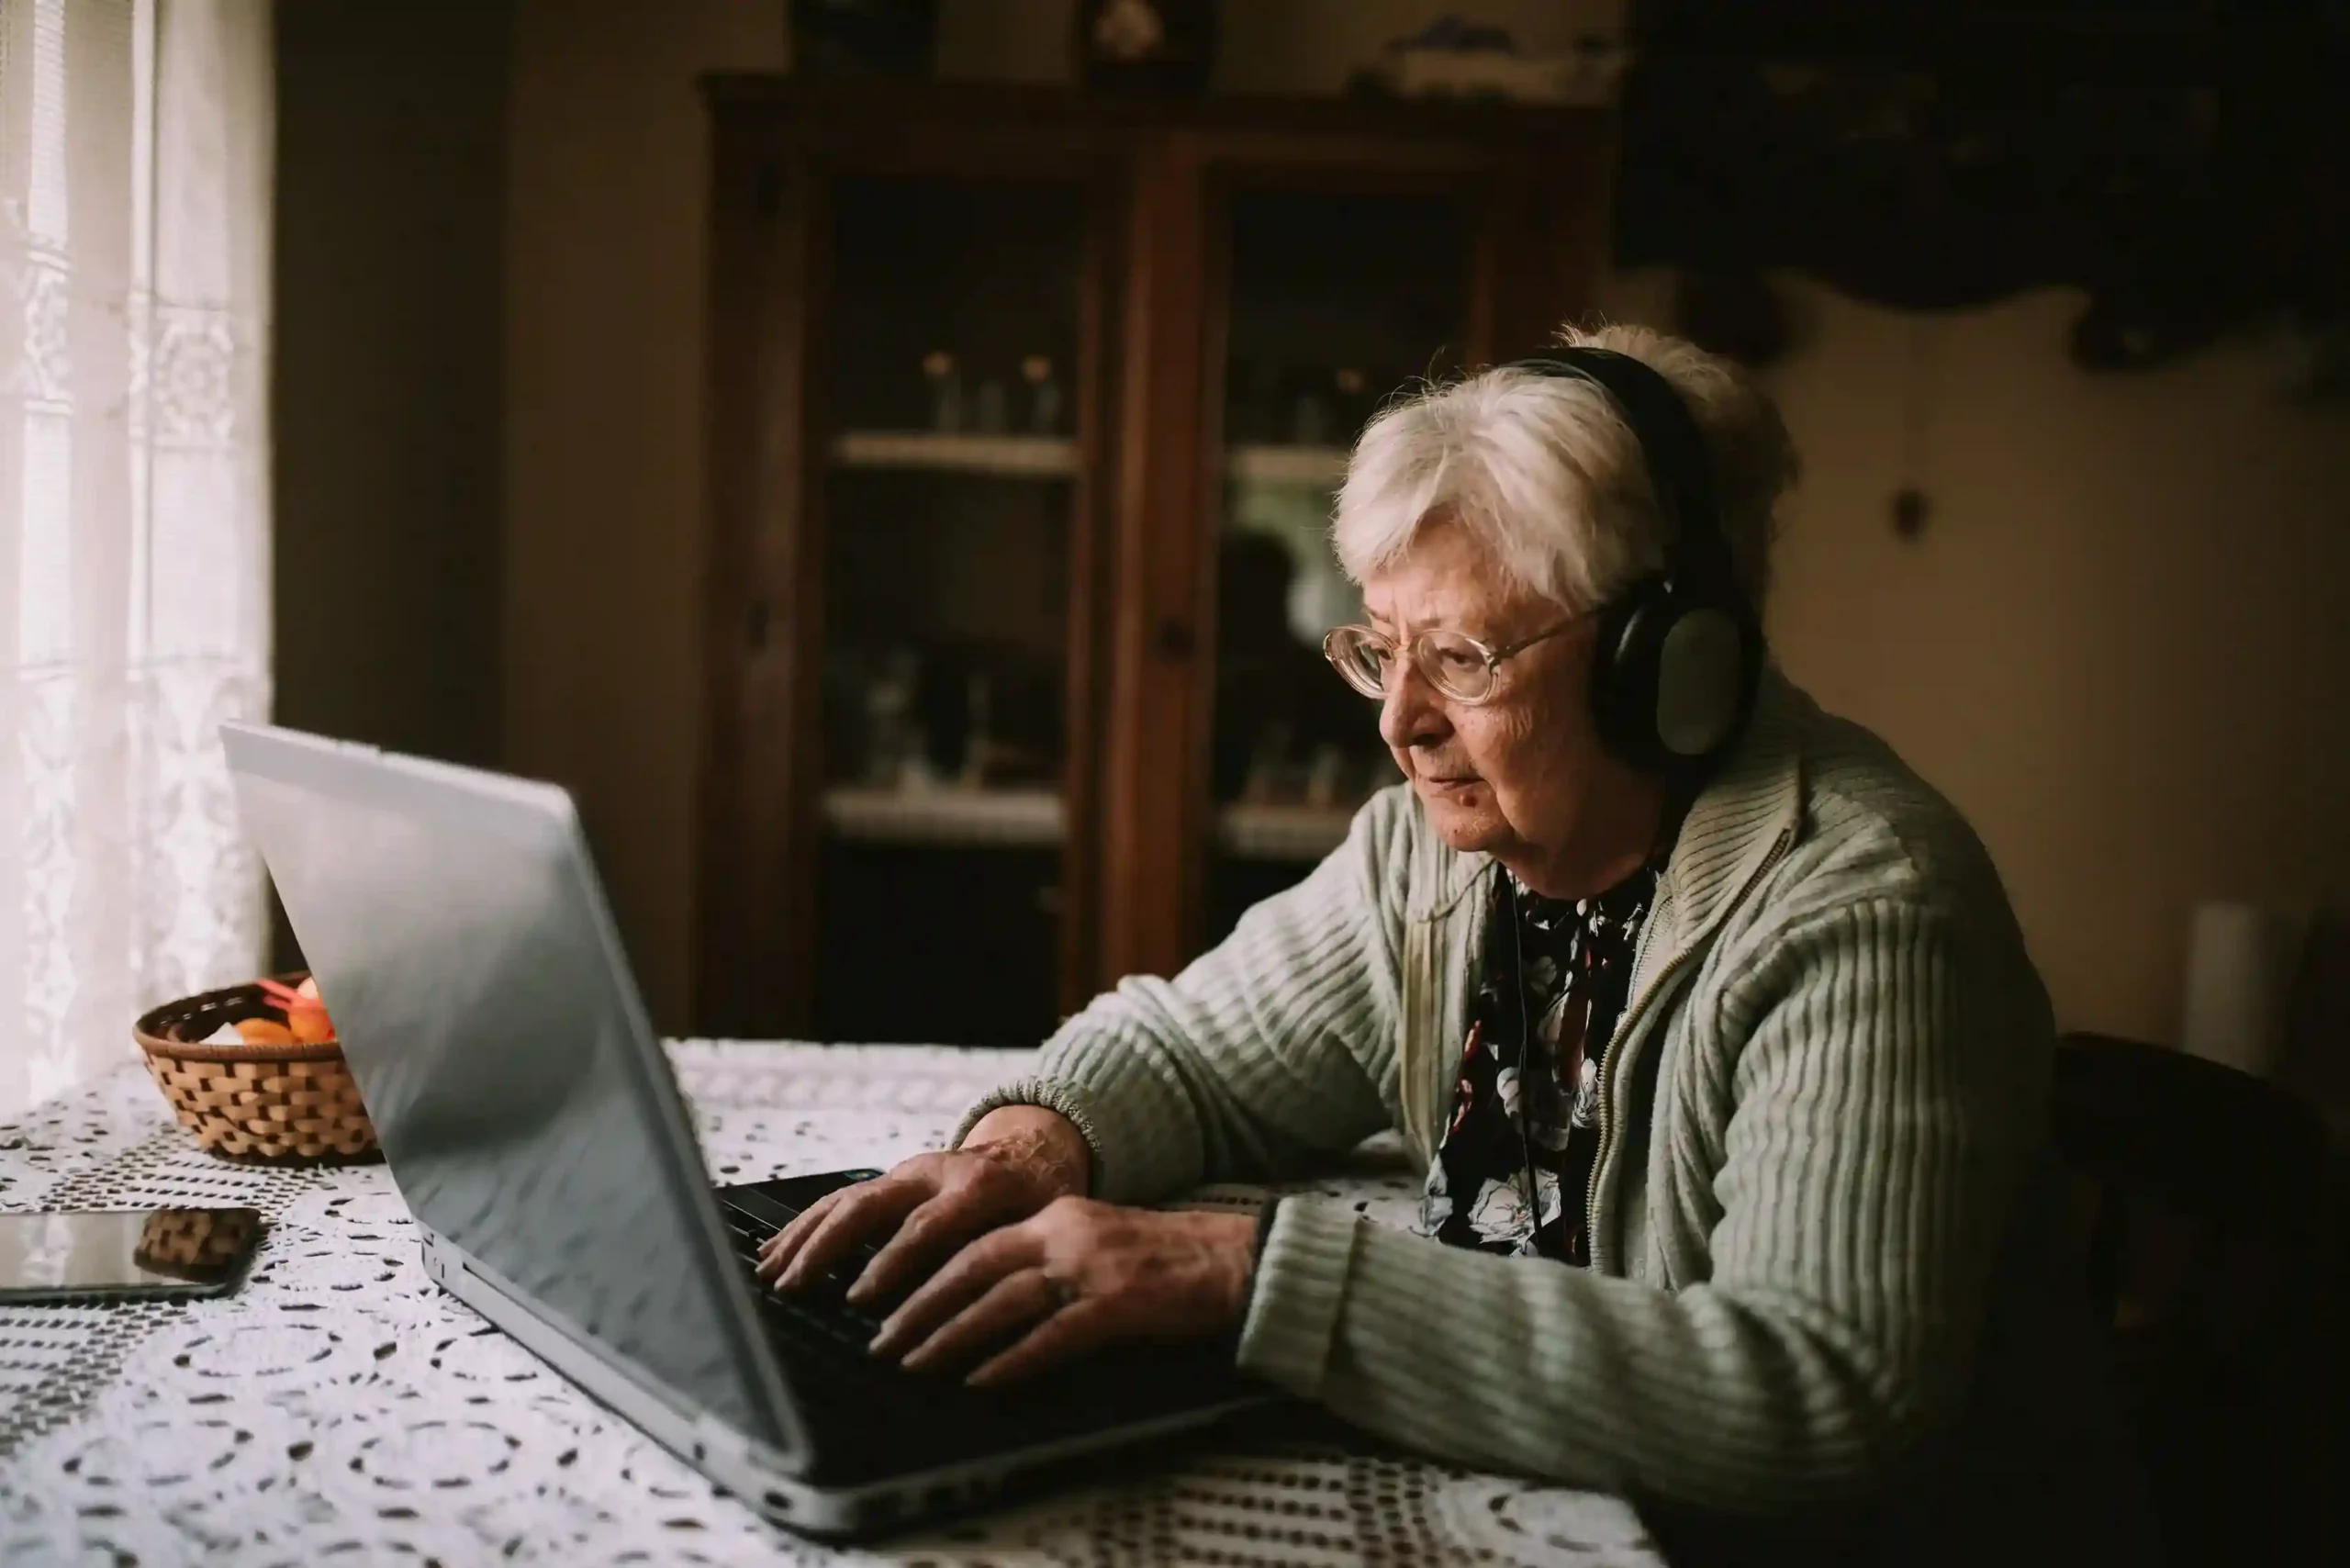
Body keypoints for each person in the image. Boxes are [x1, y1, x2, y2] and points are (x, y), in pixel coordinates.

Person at [758, 325, 2143, 1559]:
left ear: (1666, 664)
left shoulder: (1863, 908)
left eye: (1465, 658)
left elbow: (1821, 1396)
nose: (1398, 721)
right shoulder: (1430, 855)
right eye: (1382, 648)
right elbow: (1186, 1053)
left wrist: (1244, 1276)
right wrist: (1026, 1154)